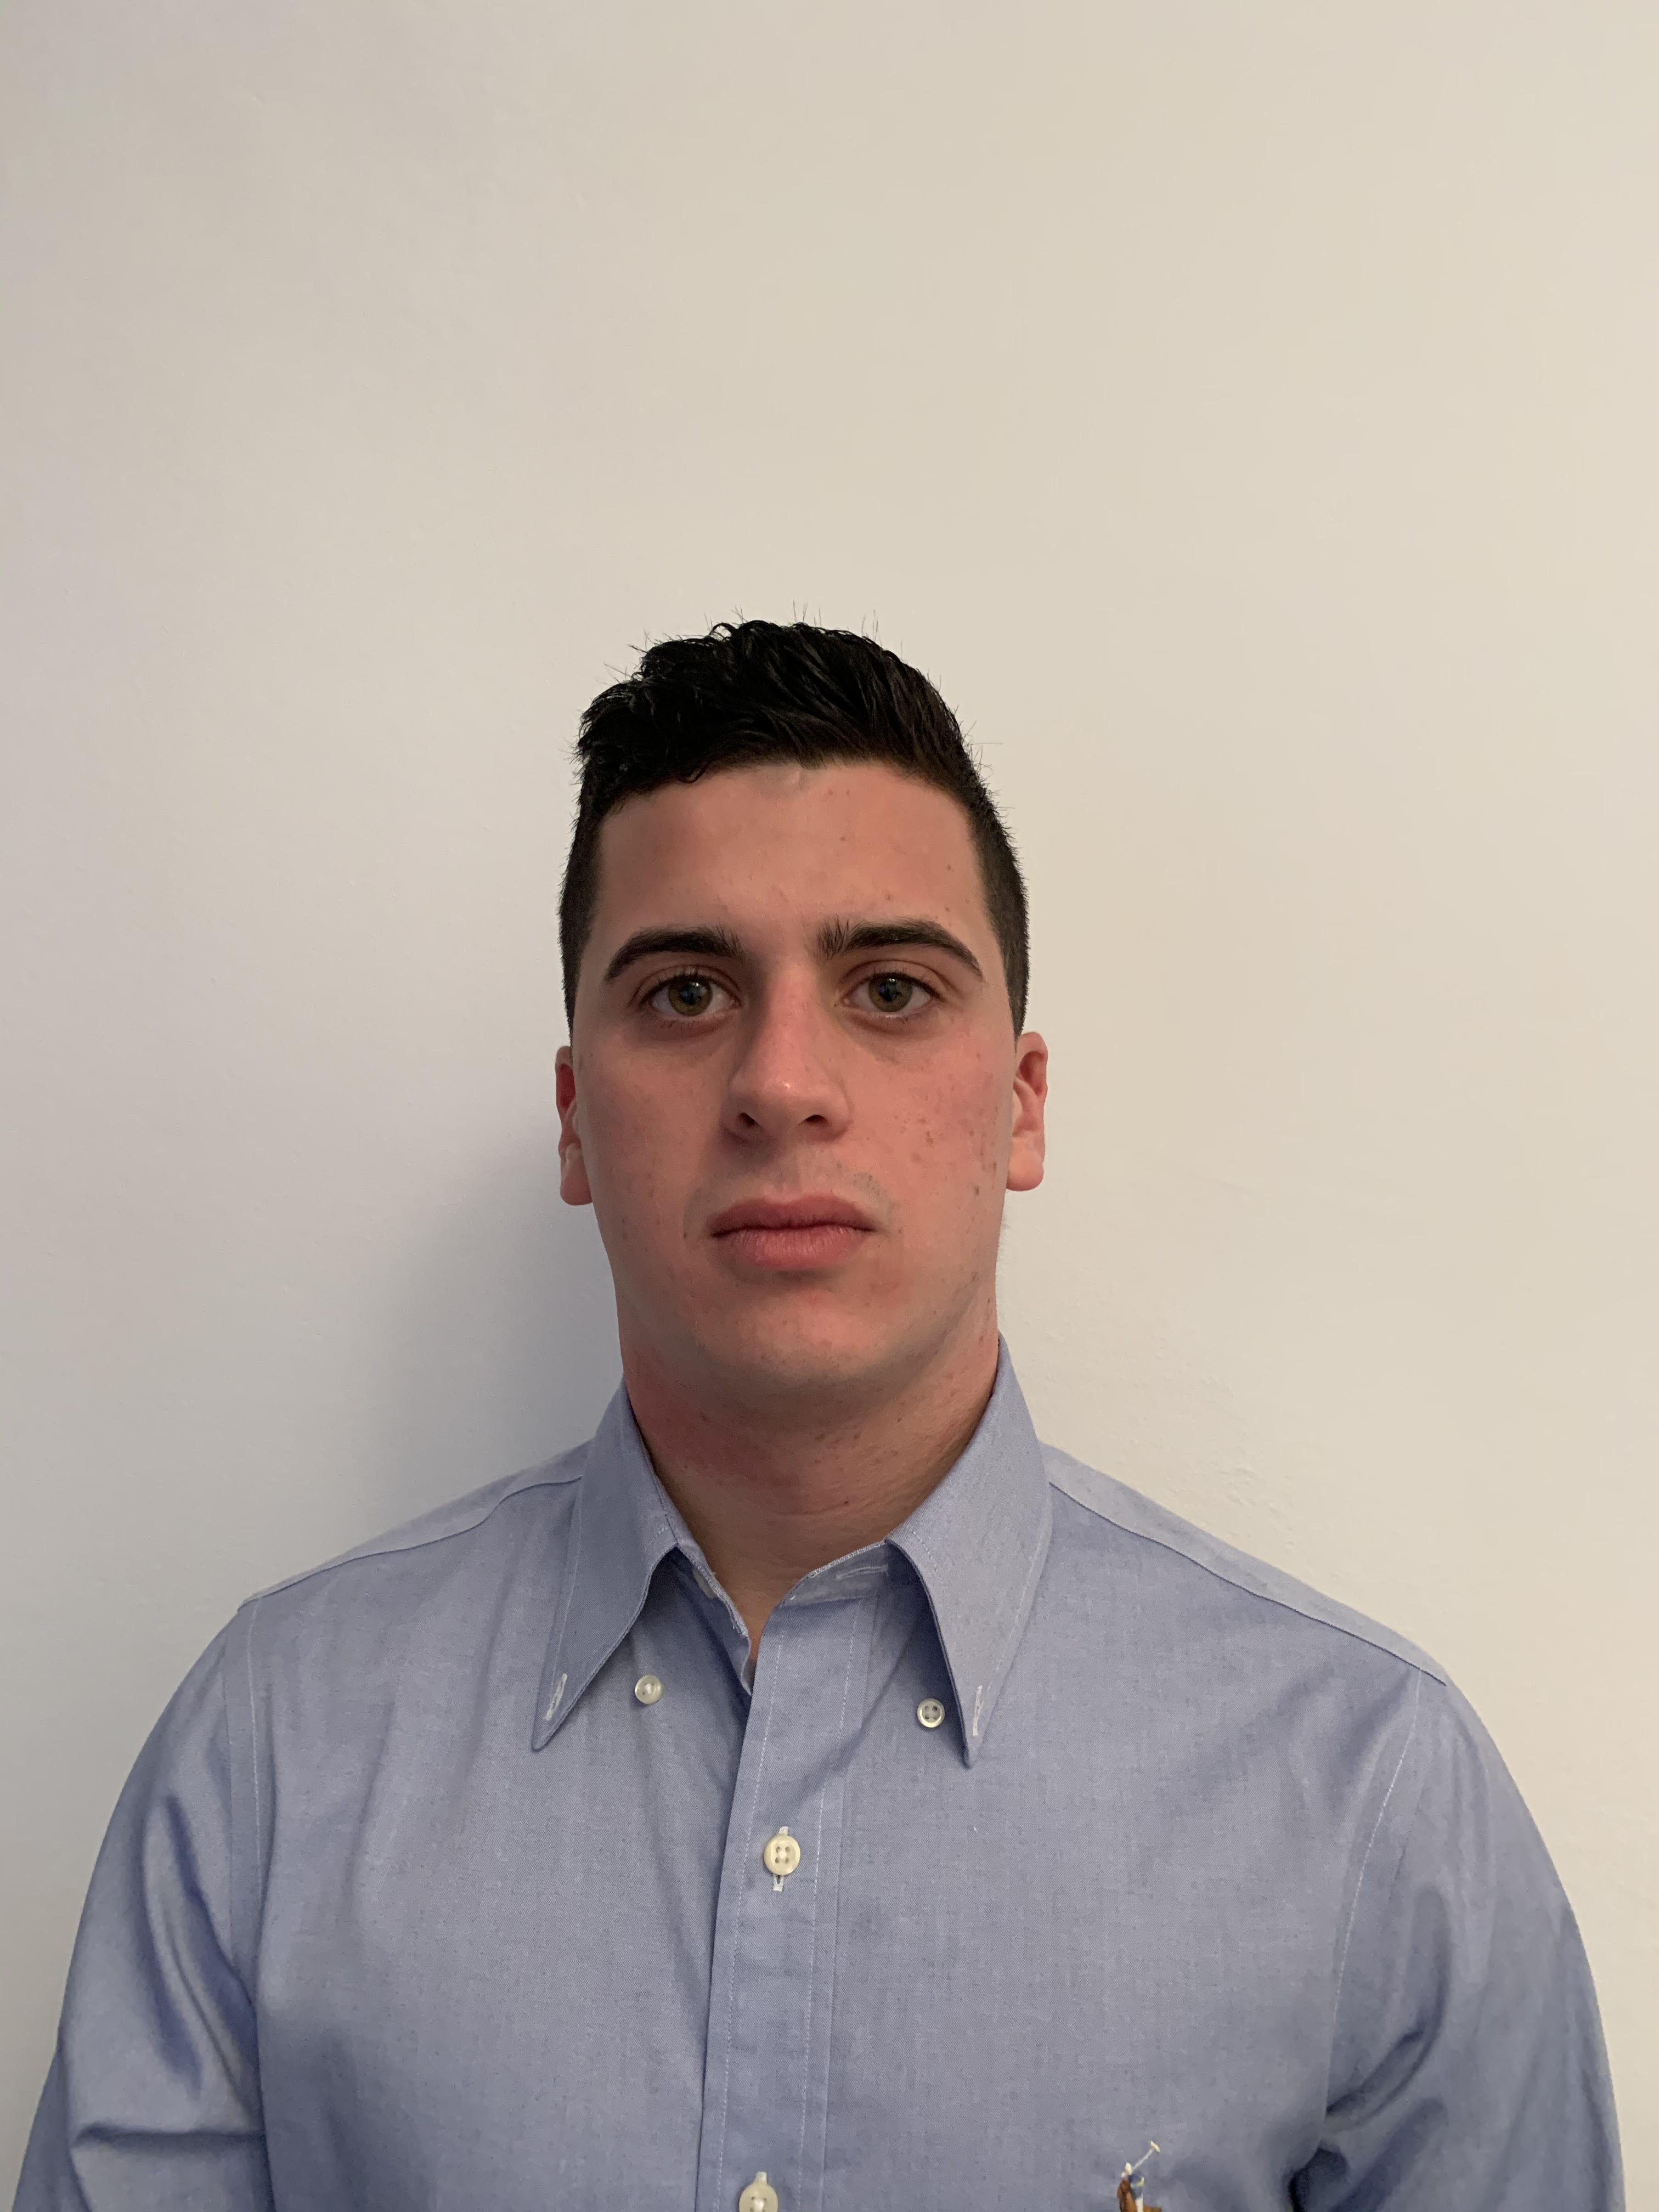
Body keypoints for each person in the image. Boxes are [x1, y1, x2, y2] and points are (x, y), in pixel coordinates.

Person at [17, 622, 1622, 2211]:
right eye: (687, 990)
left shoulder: (1371, 1795)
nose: (782, 1081)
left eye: (892, 987)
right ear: (575, 1118)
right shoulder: (276, 1751)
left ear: (1023, 1106)